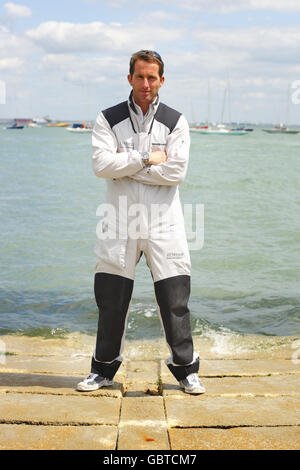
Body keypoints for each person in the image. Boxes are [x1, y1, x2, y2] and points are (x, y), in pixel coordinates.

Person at [76, 50, 205, 394]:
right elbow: (101, 166)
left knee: (175, 300)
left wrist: (127, 164)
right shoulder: (108, 118)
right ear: (129, 78)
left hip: (166, 223)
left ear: (162, 80)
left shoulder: (176, 120)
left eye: (152, 77)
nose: (146, 83)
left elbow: (176, 172)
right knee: (111, 299)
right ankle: (102, 370)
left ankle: (185, 370)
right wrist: (146, 158)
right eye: (140, 76)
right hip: (118, 221)